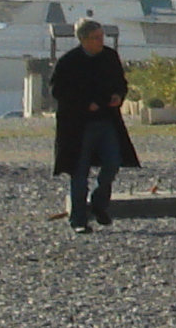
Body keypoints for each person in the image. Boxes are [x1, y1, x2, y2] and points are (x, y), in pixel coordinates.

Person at [49, 17, 139, 231]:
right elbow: (58, 91)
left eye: (102, 36)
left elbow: (120, 82)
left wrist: (118, 95)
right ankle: (79, 220)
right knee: (79, 172)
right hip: (78, 127)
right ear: (83, 39)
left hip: (107, 121)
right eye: (96, 38)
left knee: (112, 164)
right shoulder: (69, 62)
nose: (101, 41)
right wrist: (83, 105)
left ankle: (99, 204)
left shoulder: (109, 57)